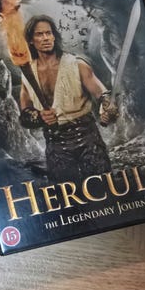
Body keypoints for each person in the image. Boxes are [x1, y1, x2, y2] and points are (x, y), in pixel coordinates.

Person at [16, 14, 118, 181]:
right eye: (39, 34)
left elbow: (103, 94)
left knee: (103, 186)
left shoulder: (77, 64)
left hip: (88, 140)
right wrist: (39, 117)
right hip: (56, 146)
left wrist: (108, 107)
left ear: (54, 36)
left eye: (49, 33)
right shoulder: (27, 74)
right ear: (31, 41)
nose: (46, 38)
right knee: (66, 191)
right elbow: (25, 115)